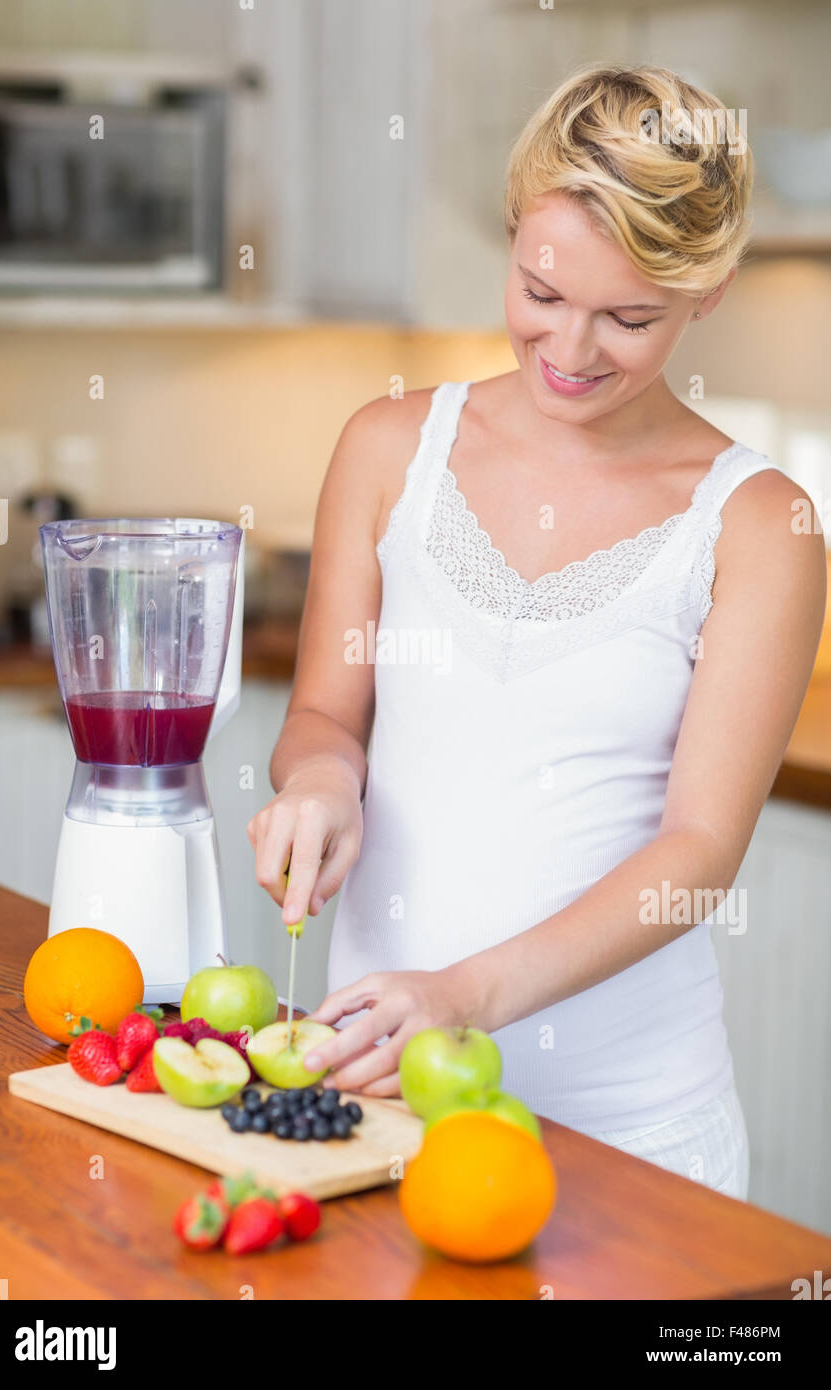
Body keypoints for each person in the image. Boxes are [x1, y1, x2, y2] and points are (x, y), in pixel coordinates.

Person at [247, 65, 826, 1197]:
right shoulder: (385, 446)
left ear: (702, 293)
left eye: (628, 317)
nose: (569, 347)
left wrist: (462, 993)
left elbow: (695, 856)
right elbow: (323, 711)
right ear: (513, 240)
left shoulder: (759, 524)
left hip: (630, 1141)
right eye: (540, 290)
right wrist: (317, 780)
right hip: (379, 1110)